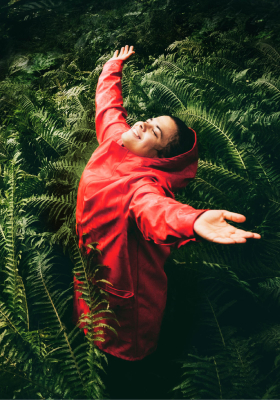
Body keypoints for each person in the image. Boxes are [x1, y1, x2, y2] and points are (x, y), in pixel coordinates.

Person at [73, 45, 260, 383]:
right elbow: (108, 106)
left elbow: (157, 210)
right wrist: (112, 66)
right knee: (87, 357)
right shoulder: (115, 140)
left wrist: (193, 219)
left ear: (158, 156)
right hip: (92, 276)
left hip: (125, 294)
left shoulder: (143, 184)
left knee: (123, 370)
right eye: (149, 120)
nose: (142, 124)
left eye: (153, 131)